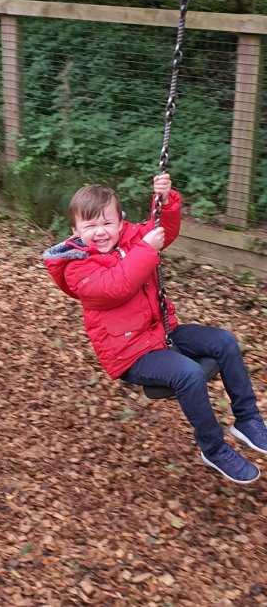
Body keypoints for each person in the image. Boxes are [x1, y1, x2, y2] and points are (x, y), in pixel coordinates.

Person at [43, 174, 267, 484]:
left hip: (163, 331)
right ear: (76, 232)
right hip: (130, 354)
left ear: (120, 223)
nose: (100, 232)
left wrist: (165, 202)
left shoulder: (132, 239)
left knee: (224, 342)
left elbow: (165, 231)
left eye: (107, 223)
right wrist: (145, 251)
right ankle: (214, 449)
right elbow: (116, 287)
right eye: (90, 226)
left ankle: (248, 420)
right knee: (188, 373)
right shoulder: (76, 267)